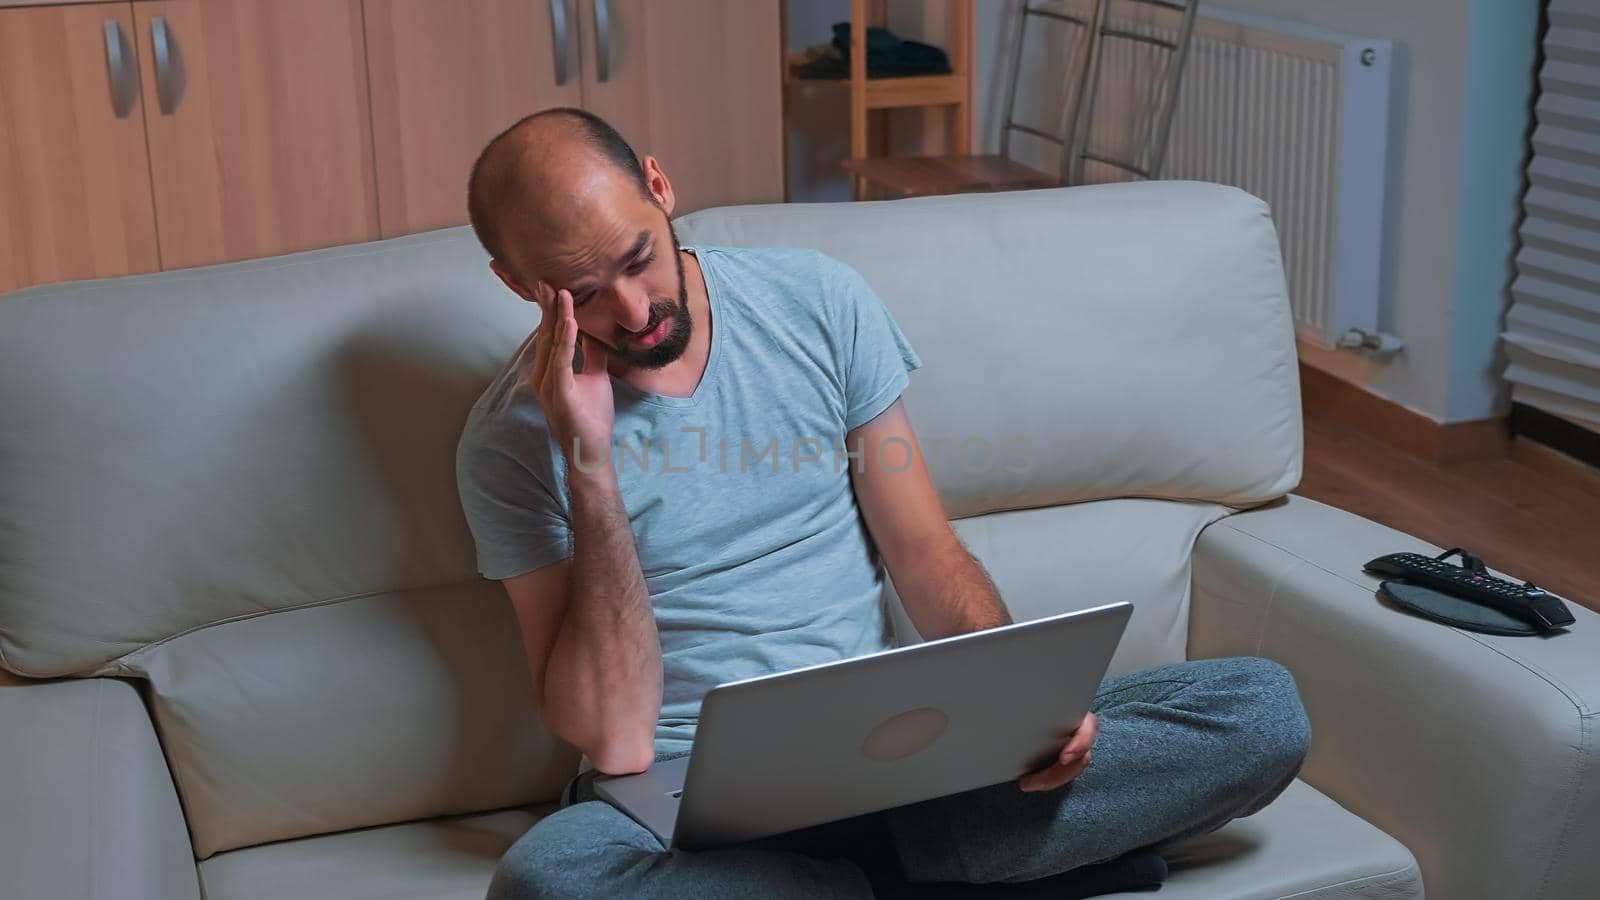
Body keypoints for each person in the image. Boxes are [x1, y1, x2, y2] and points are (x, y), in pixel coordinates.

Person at [455, 107, 1311, 899]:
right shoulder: (509, 442)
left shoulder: (816, 301)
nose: (634, 310)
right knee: (548, 881)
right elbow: (614, 741)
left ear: (659, 186)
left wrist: (1019, 714)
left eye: (637, 258)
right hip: (680, 801)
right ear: (516, 283)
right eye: (585, 292)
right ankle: (954, 875)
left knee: (1261, 708)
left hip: (895, 761)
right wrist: (591, 466)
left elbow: (925, 553)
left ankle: (883, 870)